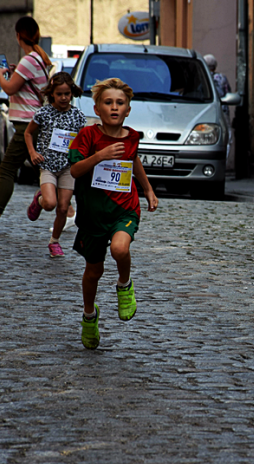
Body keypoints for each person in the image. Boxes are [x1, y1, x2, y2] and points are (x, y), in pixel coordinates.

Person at [68, 78, 159, 349]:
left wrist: (148, 190)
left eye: (120, 103)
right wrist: (100, 155)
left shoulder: (131, 137)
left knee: (120, 249)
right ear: (97, 108)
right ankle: (89, 316)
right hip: (93, 214)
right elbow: (74, 171)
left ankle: (124, 284)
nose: (114, 107)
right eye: (108, 102)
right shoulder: (88, 136)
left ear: (128, 109)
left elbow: (133, 162)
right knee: (93, 271)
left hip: (124, 208)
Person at [0, 16, 51, 233]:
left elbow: (9, 88)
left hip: (27, 124)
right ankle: (68, 212)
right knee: (45, 168)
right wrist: (14, 74)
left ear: (18, 35)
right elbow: (23, 86)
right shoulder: (39, 59)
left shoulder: (29, 59)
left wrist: (0, 75)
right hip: (34, 121)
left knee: (7, 168)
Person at [24, 72, 86, 258]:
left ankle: (54, 241)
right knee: (50, 204)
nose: (64, 98)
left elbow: (84, 140)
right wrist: (33, 153)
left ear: (72, 93)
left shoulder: (78, 116)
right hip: (48, 165)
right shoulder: (43, 113)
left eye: (67, 93)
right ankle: (40, 200)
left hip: (68, 167)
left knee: (63, 207)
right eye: (59, 94)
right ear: (52, 94)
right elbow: (27, 133)